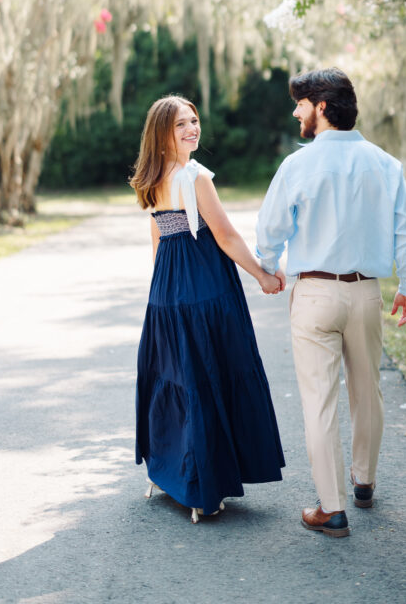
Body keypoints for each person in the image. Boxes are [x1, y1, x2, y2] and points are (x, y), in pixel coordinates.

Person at [255, 67, 406, 538]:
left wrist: (269, 267)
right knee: (368, 392)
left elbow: (270, 232)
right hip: (366, 293)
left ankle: (333, 508)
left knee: (320, 402)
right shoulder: (386, 164)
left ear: (322, 107)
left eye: (300, 104)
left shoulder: (297, 165)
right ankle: (364, 481)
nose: (295, 112)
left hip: (314, 294)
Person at [130, 94, 286, 523]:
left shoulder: (153, 176)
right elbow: (226, 236)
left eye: (194, 121)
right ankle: (205, 484)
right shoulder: (194, 176)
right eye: (181, 124)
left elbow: (159, 237)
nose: (192, 129)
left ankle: (172, 473)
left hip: (167, 286)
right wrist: (262, 274)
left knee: (176, 379)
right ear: (163, 133)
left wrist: (163, 287)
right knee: (209, 374)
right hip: (204, 283)